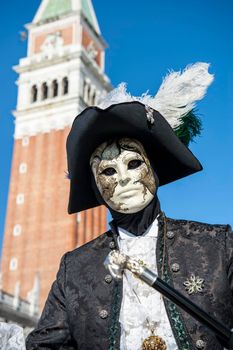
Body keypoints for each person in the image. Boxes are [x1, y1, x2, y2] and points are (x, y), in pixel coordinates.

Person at [26, 63, 233, 350]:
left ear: (154, 170)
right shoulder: (74, 268)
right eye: (108, 171)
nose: (123, 178)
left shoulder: (217, 244)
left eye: (133, 164)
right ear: (97, 188)